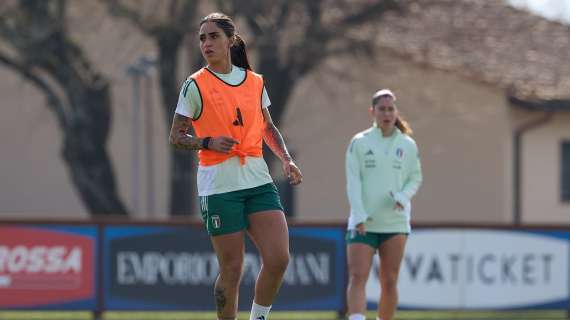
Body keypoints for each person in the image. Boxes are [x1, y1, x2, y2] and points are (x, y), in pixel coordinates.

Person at [168, 12, 303, 320]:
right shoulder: (194, 85)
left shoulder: (255, 82)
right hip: (219, 186)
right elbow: (176, 135)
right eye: (202, 38)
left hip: (257, 180)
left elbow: (268, 127)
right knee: (232, 269)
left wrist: (286, 159)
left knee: (279, 258)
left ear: (230, 40)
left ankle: (258, 318)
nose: (206, 43)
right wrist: (206, 142)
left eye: (213, 36)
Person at [344, 89, 422, 320]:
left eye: (390, 109)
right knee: (358, 276)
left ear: (396, 112)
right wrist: (358, 216)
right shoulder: (359, 142)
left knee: (389, 281)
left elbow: (415, 178)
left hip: (395, 223)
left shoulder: (408, 144)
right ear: (373, 112)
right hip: (363, 223)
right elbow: (353, 181)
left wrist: (403, 196)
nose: (386, 113)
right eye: (382, 109)